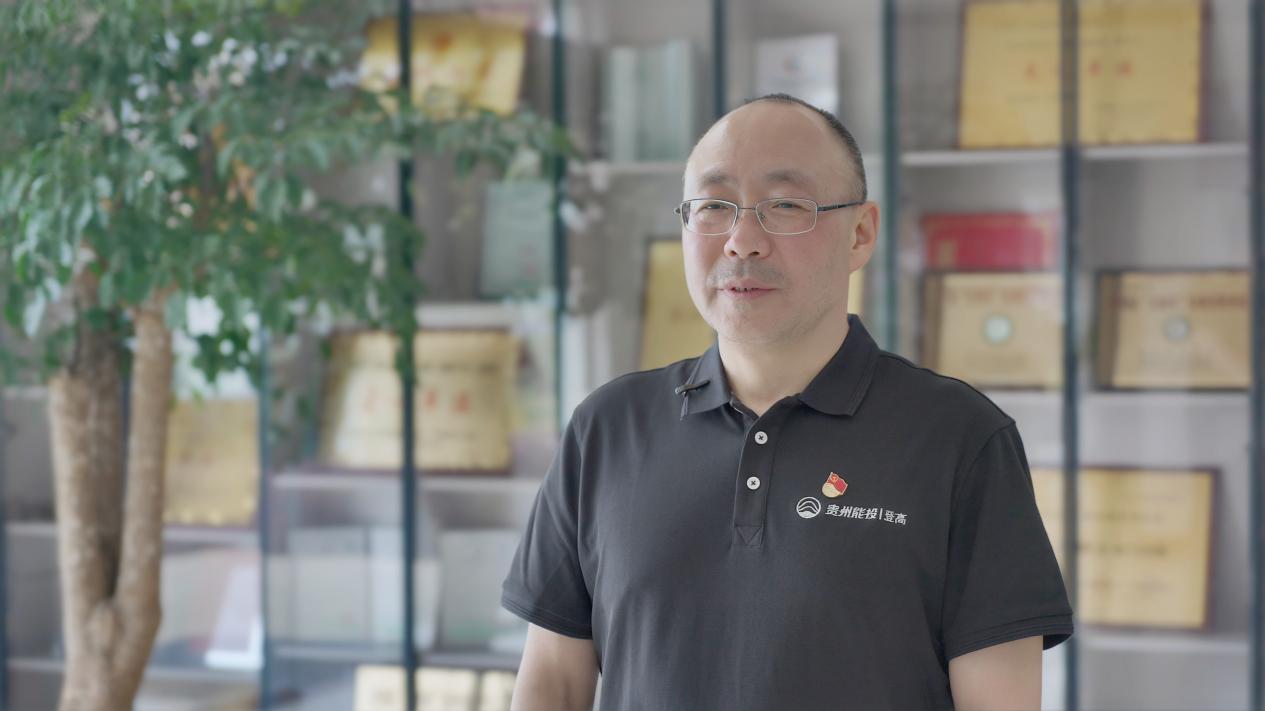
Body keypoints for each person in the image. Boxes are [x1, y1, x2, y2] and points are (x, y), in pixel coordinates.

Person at [501, 93, 1073, 711]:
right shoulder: (607, 429)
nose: (742, 242)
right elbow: (553, 682)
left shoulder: (960, 438)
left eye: (785, 206)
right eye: (714, 207)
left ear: (860, 234)